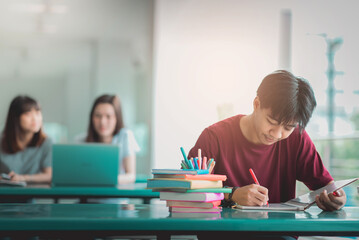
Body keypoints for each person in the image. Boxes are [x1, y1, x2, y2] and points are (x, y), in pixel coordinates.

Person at [188, 70, 346, 212]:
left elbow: (326, 186)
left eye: (288, 127)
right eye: (272, 121)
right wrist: (232, 195)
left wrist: (338, 198)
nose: (277, 134)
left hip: (278, 233)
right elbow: (189, 192)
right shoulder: (214, 137)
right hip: (223, 233)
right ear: (257, 104)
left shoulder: (297, 139)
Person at [85, 94, 140, 184]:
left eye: (108, 116)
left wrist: (102, 180)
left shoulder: (125, 136)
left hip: (116, 196)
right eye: (98, 116)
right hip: (88, 197)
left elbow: (131, 176)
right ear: (92, 118)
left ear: (117, 118)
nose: (102, 122)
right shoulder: (81, 140)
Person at [0, 95, 52, 184]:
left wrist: (23, 178)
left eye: (37, 113)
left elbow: (49, 175)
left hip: (30, 195)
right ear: (15, 118)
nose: (35, 119)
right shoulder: (2, 141)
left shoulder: (45, 142)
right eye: (28, 114)